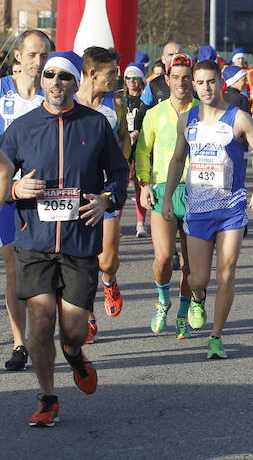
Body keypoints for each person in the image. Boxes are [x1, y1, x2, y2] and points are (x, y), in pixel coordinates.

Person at [2, 50, 128, 427]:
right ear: (42, 81)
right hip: (34, 241)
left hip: (79, 241)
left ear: (76, 83)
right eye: (50, 75)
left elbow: (119, 174)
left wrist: (107, 199)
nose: (56, 82)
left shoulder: (95, 125)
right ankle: (48, 397)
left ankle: (74, 354)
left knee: (72, 331)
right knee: (40, 321)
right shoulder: (21, 129)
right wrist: (14, 189)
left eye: (64, 77)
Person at [162, 60, 253, 359]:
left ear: (220, 82)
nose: (206, 88)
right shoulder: (187, 120)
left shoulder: (239, 119)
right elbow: (176, 160)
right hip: (198, 209)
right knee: (197, 279)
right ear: (194, 86)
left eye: (211, 82)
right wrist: (168, 197)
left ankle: (215, 337)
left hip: (231, 208)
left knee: (226, 273)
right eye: (200, 83)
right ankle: (198, 298)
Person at [136, 53, 198, 339]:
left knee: (191, 264)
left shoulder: (203, 110)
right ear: (167, 80)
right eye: (176, 77)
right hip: (164, 190)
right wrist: (144, 184)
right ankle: (163, 302)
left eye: (187, 78)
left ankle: (185, 312)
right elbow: (142, 151)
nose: (181, 83)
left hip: (198, 192)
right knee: (163, 258)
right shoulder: (155, 113)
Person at [0, 29, 51, 372]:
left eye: (45, 55)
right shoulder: (2, 91)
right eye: (33, 55)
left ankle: (42, 334)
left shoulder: (54, 92)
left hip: (46, 196)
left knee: (46, 273)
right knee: (14, 269)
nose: (39, 62)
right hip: (8, 194)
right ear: (18, 56)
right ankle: (21, 342)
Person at [76, 46, 131, 341]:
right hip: (77, 189)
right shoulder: (70, 101)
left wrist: (119, 166)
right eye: (111, 73)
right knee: (82, 260)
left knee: (105, 260)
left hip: (107, 189)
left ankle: (109, 281)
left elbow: (123, 137)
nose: (116, 78)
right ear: (92, 73)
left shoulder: (116, 103)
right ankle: (87, 315)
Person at [123, 62, 150, 238]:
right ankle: (114, 223)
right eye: (128, 78)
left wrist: (138, 133)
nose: (131, 81)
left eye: (135, 78)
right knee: (119, 184)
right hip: (124, 145)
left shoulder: (145, 100)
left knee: (141, 184)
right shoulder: (120, 99)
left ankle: (141, 223)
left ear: (141, 79)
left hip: (141, 145)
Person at [141, 41, 183, 107]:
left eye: (178, 55)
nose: (174, 58)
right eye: (170, 55)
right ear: (163, 59)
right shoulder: (153, 84)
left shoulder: (192, 83)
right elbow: (141, 114)